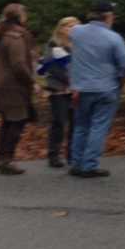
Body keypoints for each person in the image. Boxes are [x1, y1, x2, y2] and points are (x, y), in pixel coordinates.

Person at [69, 0, 125, 178]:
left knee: (81, 126)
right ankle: (89, 165)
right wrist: (120, 82)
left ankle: (76, 163)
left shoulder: (77, 32)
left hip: (81, 87)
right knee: (98, 127)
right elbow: (124, 64)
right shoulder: (113, 38)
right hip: (106, 87)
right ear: (108, 16)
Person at [0, 3, 38, 176]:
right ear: (19, 17)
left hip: (2, 83)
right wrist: (32, 82)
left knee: (8, 122)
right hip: (13, 86)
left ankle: (3, 158)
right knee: (17, 122)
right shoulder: (16, 37)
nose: (27, 17)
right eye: (25, 14)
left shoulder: (3, 33)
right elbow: (18, 65)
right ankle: (7, 160)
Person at [39, 16, 80, 168]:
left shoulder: (79, 44)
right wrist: (71, 80)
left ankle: (72, 154)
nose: (73, 29)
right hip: (59, 89)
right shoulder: (53, 44)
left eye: (76, 27)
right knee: (59, 122)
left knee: (76, 123)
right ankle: (54, 154)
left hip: (76, 89)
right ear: (61, 28)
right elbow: (52, 67)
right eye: (70, 26)